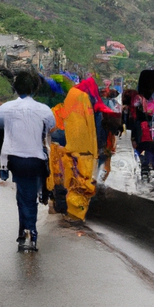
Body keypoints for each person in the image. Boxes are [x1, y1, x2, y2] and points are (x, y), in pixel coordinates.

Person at [0, 72, 56, 251]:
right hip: (37, 158)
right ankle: (29, 230)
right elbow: (52, 126)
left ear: (15, 88)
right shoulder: (44, 109)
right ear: (34, 88)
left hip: (15, 158)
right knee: (28, 196)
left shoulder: (5, 108)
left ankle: (27, 230)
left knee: (24, 195)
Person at [46, 77, 99, 220]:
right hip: (75, 149)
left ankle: (64, 207)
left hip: (61, 147)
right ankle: (72, 211)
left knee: (62, 179)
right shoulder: (81, 98)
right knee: (75, 181)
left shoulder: (55, 103)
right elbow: (89, 126)